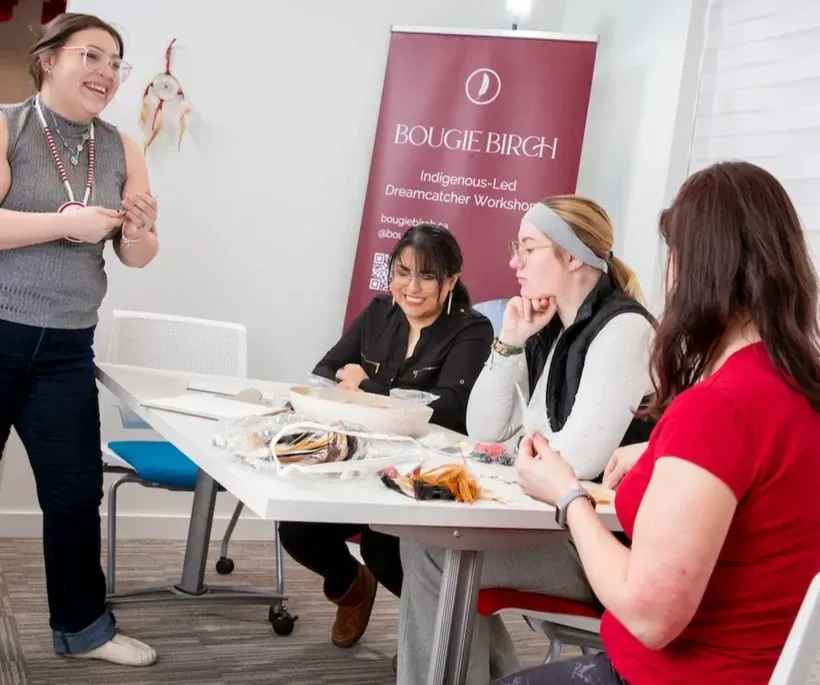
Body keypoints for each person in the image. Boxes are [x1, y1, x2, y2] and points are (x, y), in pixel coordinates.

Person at [498, 161, 820, 685]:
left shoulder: (719, 406)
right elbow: (761, 477)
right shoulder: (795, 389)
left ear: (698, 268)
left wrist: (566, 497)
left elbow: (649, 616)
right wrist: (657, 454)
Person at [398, 195, 656, 685]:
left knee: (436, 553)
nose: (514, 261)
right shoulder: (555, 328)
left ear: (573, 256)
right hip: (555, 523)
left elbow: (573, 461)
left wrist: (525, 449)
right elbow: (488, 432)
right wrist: (511, 339)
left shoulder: (624, 330)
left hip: (605, 547)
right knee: (425, 545)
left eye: (529, 248)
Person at [0, 13, 159, 666]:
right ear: (48, 59)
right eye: (91, 55)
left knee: (74, 493)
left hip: (68, 348)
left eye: (116, 63)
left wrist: (138, 229)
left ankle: (84, 629)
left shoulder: (124, 145)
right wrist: (67, 223)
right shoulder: (8, 124)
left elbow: (139, 255)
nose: (106, 72)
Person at [278, 224, 493, 655]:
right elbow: (327, 371)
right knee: (298, 529)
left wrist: (368, 386)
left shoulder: (472, 330)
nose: (411, 287)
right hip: (359, 461)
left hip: (422, 475)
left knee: (382, 547)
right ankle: (351, 588)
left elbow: (449, 407)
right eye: (403, 272)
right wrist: (369, 391)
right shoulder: (379, 312)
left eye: (427, 276)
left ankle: (435, 643)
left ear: (450, 280)